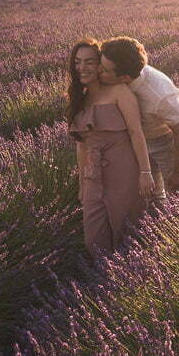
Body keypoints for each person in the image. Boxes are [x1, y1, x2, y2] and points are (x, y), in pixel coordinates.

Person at [66, 38, 156, 260]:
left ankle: (132, 285)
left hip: (124, 171)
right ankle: (106, 282)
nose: (82, 67)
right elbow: (81, 146)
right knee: (94, 243)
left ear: (100, 64)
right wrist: (82, 184)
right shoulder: (79, 98)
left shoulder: (119, 92)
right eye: (77, 62)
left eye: (89, 62)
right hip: (93, 176)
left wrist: (145, 173)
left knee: (128, 236)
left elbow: (136, 133)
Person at [98, 36, 179, 208]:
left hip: (165, 142)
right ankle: (156, 226)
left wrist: (178, 172)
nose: (98, 71)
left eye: (104, 69)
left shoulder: (160, 95)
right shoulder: (111, 78)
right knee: (149, 196)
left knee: (178, 193)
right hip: (135, 141)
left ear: (124, 77)